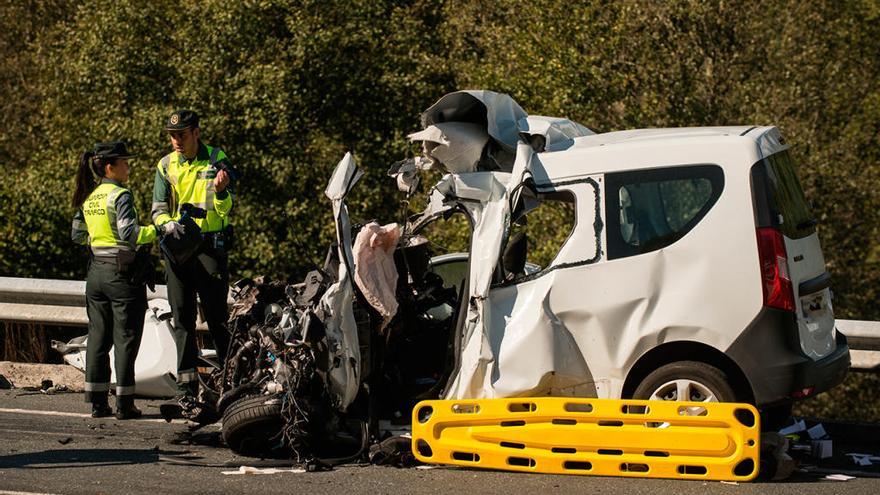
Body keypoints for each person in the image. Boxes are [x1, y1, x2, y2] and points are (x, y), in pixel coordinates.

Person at [151, 109, 234, 408]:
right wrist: (165, 224)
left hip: (210, 248)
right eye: (173, 135)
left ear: (196, 132)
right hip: (179, 248)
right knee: (182, 318)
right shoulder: (165, 165)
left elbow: (226, 208)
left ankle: (229, 382)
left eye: (182, 135)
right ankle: (187, 390)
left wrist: (222, 192)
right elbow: (157, 207)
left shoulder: (216, 158)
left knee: (217, 319)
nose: (176, 140)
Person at [71, 141, 157, 419]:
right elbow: (130, 233)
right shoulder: (120, 195)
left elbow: (77, 235)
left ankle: (98, 403)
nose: (128, 166)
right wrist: (158, 230)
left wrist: (99, 242)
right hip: (121, 275)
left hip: (95, 272)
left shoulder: (91, 196)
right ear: (110, 167)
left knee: (98, 337)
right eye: (124, 162)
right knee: (125, 338)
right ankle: (124, 403)